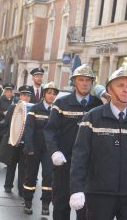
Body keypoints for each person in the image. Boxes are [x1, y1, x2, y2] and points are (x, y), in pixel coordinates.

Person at [69, 67, 127, 220]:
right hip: (100, 193)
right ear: (109, 89)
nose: (125, 90)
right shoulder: (93, 117)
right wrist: (76, 188)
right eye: (120, 85)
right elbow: (80, 155)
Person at [44, 64, 103, 220]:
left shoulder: (98, 105)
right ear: (74, 82)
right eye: (81, 80)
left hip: (88, 165)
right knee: (61, 205)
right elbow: (50, 130)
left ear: (92, 83)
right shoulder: (61, 103)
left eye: (88, 80)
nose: (85, 83)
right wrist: (54, 151)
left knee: (85, 209)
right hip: (64, 163)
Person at [23, 82, 59, 215]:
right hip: (35, 148)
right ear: (44, 94)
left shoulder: (56, 110)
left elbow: (58, 131)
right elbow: (29, 129)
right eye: (49, 93)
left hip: (49, 150)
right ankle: (27, 202)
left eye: (54, 94)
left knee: (48, 177)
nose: (51, 96)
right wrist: (29, 147)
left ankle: (45, 205)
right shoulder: (35, 108)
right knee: (31, 176)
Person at [0, 85, 32, 197]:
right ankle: (8, 185)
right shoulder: (13, 107)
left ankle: (21, 188)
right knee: (11, 164)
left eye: (28, 96)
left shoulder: (32, 108)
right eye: (24, 95)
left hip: (25, 142)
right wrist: (2, 124)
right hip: (13, 140)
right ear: (20, 96)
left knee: (23, 167)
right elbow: (7, 121)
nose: (26, 98)